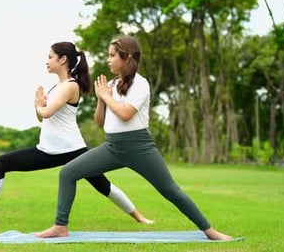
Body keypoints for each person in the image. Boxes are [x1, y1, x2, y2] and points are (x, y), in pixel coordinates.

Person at [35, 36, 233, 240]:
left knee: (170, 190)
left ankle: (209, 231)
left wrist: (107, 96)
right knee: (68, 173)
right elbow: (100, 122)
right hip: (112, 148)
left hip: (140, 148)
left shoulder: (140, 84)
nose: (108, 60)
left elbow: (125, 114)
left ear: (126, 57)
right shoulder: (111, 84)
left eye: (112, 55)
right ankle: (60, 227)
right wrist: (101, 100)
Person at [0, 41, 154, 225]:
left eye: (50, 57)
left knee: (103, 186)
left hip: (72, 150)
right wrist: (37, 106)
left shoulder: (70, 86)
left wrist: (40, 106)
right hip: (47, 150)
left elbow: (46, 112)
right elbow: (43, 118)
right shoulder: (56, 87)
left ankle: (139, 217)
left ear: (63, 60)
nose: (46, 61)